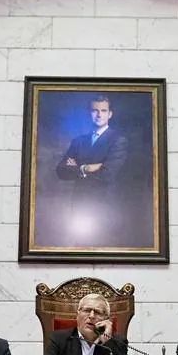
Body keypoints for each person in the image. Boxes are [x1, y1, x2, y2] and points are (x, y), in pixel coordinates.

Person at [55, 93, 128, 244]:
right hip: (80, 207)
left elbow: (107, 175)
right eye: (95, 110)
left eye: (103, 111)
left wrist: (76, 169)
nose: (99, 115)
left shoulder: (118, 141)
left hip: (104, 209)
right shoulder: (78, 141)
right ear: (90, 113)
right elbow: (61, 171)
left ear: (110, 114)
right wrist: (87, 168)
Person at [36, 293, 137, 355]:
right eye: (87, 310)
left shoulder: (117, 342)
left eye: (97, 312)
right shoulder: (59, 339)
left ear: (106, 319)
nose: (92, 316)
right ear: (78, 315)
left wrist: (108, 342)